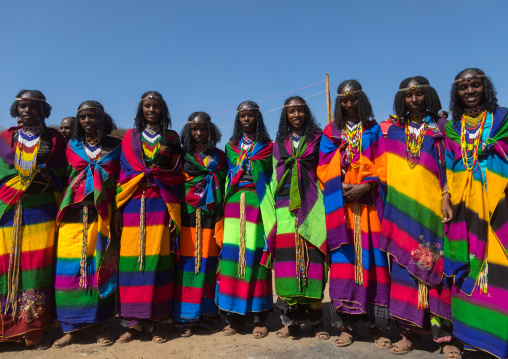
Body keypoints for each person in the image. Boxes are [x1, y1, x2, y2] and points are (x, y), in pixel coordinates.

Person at [380, 76, 459, 357]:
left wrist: (447, 197)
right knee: (403, 274)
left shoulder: (440, 128)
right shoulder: (394, 131)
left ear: (429, 96)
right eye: (408, 95)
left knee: (438, 275)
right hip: (402, 214)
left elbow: (450, 167)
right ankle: (409, 334)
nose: (413, 99)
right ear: (402, 99)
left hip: (432, 213)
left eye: (419, 94)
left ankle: (445, 337)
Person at [317, 80, 391, 348]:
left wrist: (366, 185)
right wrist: (342, 185)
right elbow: (323, 165)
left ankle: (375, 326)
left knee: (374, 261)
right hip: (342, 208)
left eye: (353, 98)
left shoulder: (372, 128)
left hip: (369, 205)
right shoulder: (331, 130)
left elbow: (383, 162)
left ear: (362, 99)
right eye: (344, 100)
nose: (349, 104)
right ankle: (346, 326)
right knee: (344, 264)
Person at [444, 68, 508, 359]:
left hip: (499, 206)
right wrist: (445, 197)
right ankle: (471, 340)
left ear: (486, 87)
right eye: (463, 87)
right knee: (467, 267)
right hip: (464, 210)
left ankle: (499, 339)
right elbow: (447, 164)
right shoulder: (453, 127)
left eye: (475, 85)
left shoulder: (503, 119)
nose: (469, 91)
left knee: (499, 270)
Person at [113, 91, 182, 344]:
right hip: (132, 203)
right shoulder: (130, 137)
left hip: (160, 203)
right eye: (146, 106)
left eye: (155, 106)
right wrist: (118, 209)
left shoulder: (171, 137)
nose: (151, 110)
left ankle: (158, 324)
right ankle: (132, 324)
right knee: (131, 262)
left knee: (159, 262)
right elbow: (123, 174)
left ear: (162, 109)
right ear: (141, 109)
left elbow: (176, 172)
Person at [0, 90, 65, 348]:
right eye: (22, 106)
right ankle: (6, 329)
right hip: (9, 209)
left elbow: (61, 170)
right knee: (7, 264)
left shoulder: (54, 138)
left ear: (42, 110)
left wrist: (47, 175)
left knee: (37, 267)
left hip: (41, 211)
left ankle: (34, 331)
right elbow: (3, 170)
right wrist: (20, 180)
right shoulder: (6, 138)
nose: (26, 110)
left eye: (32, 106)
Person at [53, 100, 120, 348]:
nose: (87, 121)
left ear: (101, 118)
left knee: (98, 267)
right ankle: (70, 327)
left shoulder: (115, 146)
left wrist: (117, 211)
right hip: (73, 215)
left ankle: (99, 326)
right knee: (69, 271)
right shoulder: (72, 145)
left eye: (91, 116)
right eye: (82, 117)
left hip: (101, 214)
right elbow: (63, 178)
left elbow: (120, 182)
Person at [267, 96, 328, 340]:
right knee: (287, 263)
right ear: (285, 115)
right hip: (284, 204)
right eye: (291, 111)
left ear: (306, 113)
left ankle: (316, 319)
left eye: (300, 111)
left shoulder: (317, 138)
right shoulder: (279, 143)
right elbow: (274, 173)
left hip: (312, 201)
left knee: (313, 259)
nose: (295, 115)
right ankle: (289, 321)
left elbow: (323, 167)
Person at [216, 101, 273, 339]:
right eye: (242, 116)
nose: (246, 119)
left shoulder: (268, 147)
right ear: (237, 120)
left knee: (256, 259)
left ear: (258, 118)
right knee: (232, 260)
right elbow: (229, 174)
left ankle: (259, 317)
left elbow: (268, 176)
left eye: (250, 115)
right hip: (233, 205)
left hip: (257, 205)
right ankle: (234, 318)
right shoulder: (231, 147)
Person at [172, 112, 226, 336]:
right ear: (187, 130)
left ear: (210, 130)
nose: (198, 133)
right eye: (194, 129)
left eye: (202, 128)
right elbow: (174, 185)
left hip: (212, 217)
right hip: (187, 215)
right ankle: (185, 316)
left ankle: (207, 315)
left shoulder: (221, 157)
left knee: (209, 263)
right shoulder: (181, 156)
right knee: (186, 264)